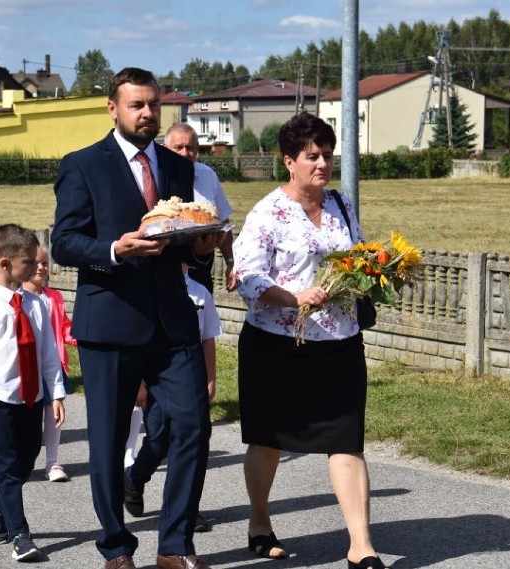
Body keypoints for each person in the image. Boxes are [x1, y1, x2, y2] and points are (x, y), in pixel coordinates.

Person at [51, 67, 217, 569]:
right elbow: (64, 242)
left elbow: (186, 239)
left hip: (172, 320)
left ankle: (174, 547)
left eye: (153, 105)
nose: (147, 114)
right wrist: (114, 250)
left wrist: (205, 248)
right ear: (113, 109)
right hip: (111, 321)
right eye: (136, 105)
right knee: (105, 439)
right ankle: (116, 548)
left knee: (192, 426)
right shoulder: (82, 165)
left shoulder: (177, 164)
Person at [233, 112, 392, 569]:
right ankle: (260, 521)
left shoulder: (341, 204)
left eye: (327, 155)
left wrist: (381, 271)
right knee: (268, 441)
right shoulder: (268, 212)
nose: (323, 164)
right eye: (312, 156)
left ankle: (361, 546)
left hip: (340, 342)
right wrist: (293, 296)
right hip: (278, 344)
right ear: (289, 161)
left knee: (346, 441)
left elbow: (358, 255)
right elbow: (246, 275)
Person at [0, 224, 66, 562]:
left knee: (27, 461)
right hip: (1, 401)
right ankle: (21, 536)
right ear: (5, 264)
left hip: (32, 398)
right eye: (27, 262)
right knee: (8, 470)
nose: (35, 267)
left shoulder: (37, 305)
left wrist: (57, 393)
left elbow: (49, 354)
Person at [123, 262, 221, 533]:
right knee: (159, 439)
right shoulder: (149, 289)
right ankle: (134, 477)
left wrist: (210, 379)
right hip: (157, 380)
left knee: (190, 442)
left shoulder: (200, 292)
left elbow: (208, 338)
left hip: (189, 379)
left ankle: (186, 509)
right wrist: (139, 383)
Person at [22, 246, 76, 483]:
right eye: (35, 263)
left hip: (52, 366)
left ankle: (52, 462)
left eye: (44, 263)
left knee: (54, 415)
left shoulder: (54, 297)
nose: (41, 267)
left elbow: (65, 327)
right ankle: (23, 460)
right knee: (26, 418)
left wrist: (82, 336)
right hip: (25, 368)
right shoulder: (18, 297)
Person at [163, 123, 236, 292]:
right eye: (178, 147)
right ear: (164, 148)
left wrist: (231, 262)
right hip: (165, 271)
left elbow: (224, 219)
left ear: (197, 150)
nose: (185, 153)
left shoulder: (207, 175)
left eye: (190, 148)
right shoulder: (155, 177)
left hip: (201, 268)